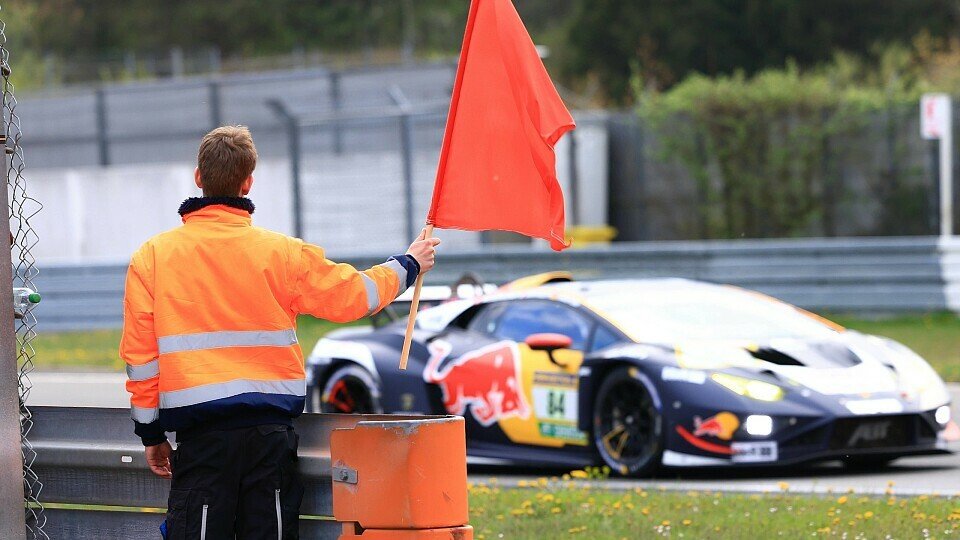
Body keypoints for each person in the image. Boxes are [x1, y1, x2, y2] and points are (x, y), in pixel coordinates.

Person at [120, 125, 439, 539]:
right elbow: (353, 296)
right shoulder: (283, 253)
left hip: (202, 443)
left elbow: (140, 361)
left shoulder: (153, 258)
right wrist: (408, 264)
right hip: (270, 440)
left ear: (198, 177)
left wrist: (151, 433)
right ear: (248, 181)